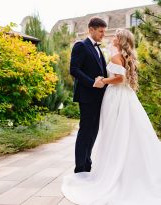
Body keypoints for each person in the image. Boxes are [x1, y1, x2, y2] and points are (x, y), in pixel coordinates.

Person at [62, 28, 161, 205]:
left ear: (121, 40)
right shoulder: (125, 56)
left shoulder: (116, 56)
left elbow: (120, 79)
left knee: (116, 132)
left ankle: (118, 170)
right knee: (125, 131)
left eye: (116, 37)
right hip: (123, 97)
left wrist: (103, 80)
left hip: (117, 97)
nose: (112, 38)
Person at [69, 17, 107, 173]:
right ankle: (80, 168)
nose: (103, 34)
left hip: (99, 97)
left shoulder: (98, 48)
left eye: (104, 31)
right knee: (85, 131)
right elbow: (74, 70)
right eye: (101, 31)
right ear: (91, 29)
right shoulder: (81, 46)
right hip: (86, 97)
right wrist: (92, 82)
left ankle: (87, 164)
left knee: (93, 132)